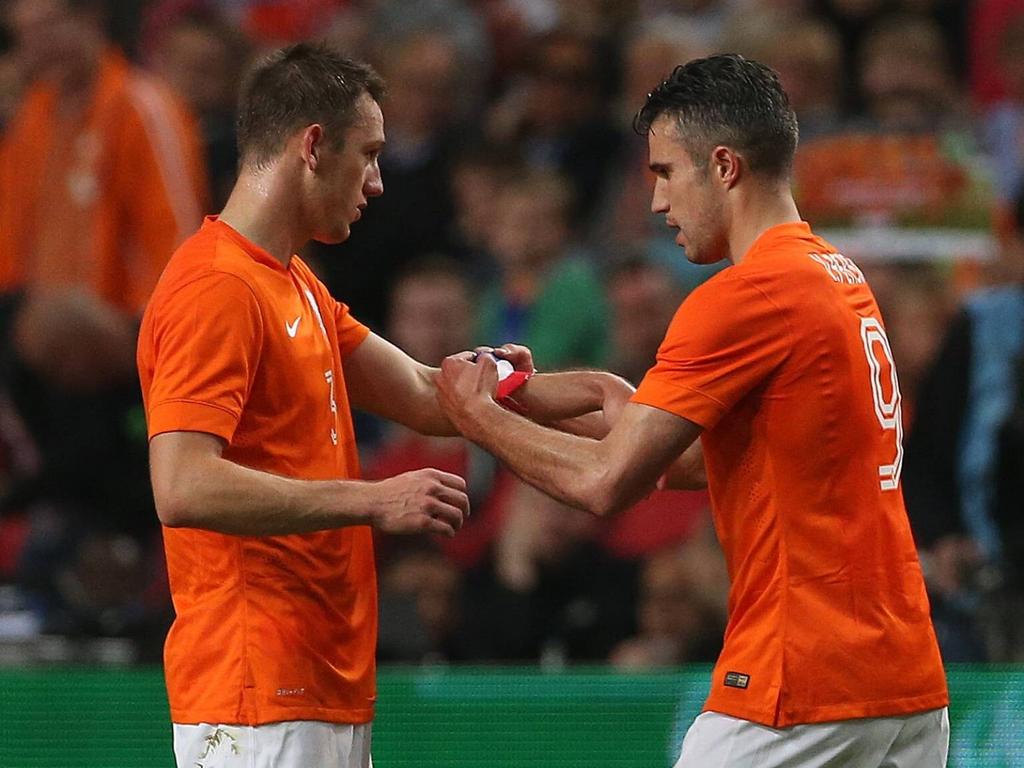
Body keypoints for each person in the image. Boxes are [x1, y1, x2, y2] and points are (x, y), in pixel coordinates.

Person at [437, 54, 950, 766]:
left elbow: (605, 483)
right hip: (904, 682)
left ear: (724, 165)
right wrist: (567, 398)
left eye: (665, 173)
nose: (655, 203)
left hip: (800, 679)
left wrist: (479, 421)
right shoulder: (836, 277)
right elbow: (686, 458)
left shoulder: (745, 297)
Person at [136, 45, 478, 768]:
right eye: (371, 154)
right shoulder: (216, 289)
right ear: (314, 147)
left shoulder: (292, 284)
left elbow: (425, 395)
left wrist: (570, 394)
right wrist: (373, 499)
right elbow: (183, 484)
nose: (378, 181)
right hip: (254, 687)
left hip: (319, 680)